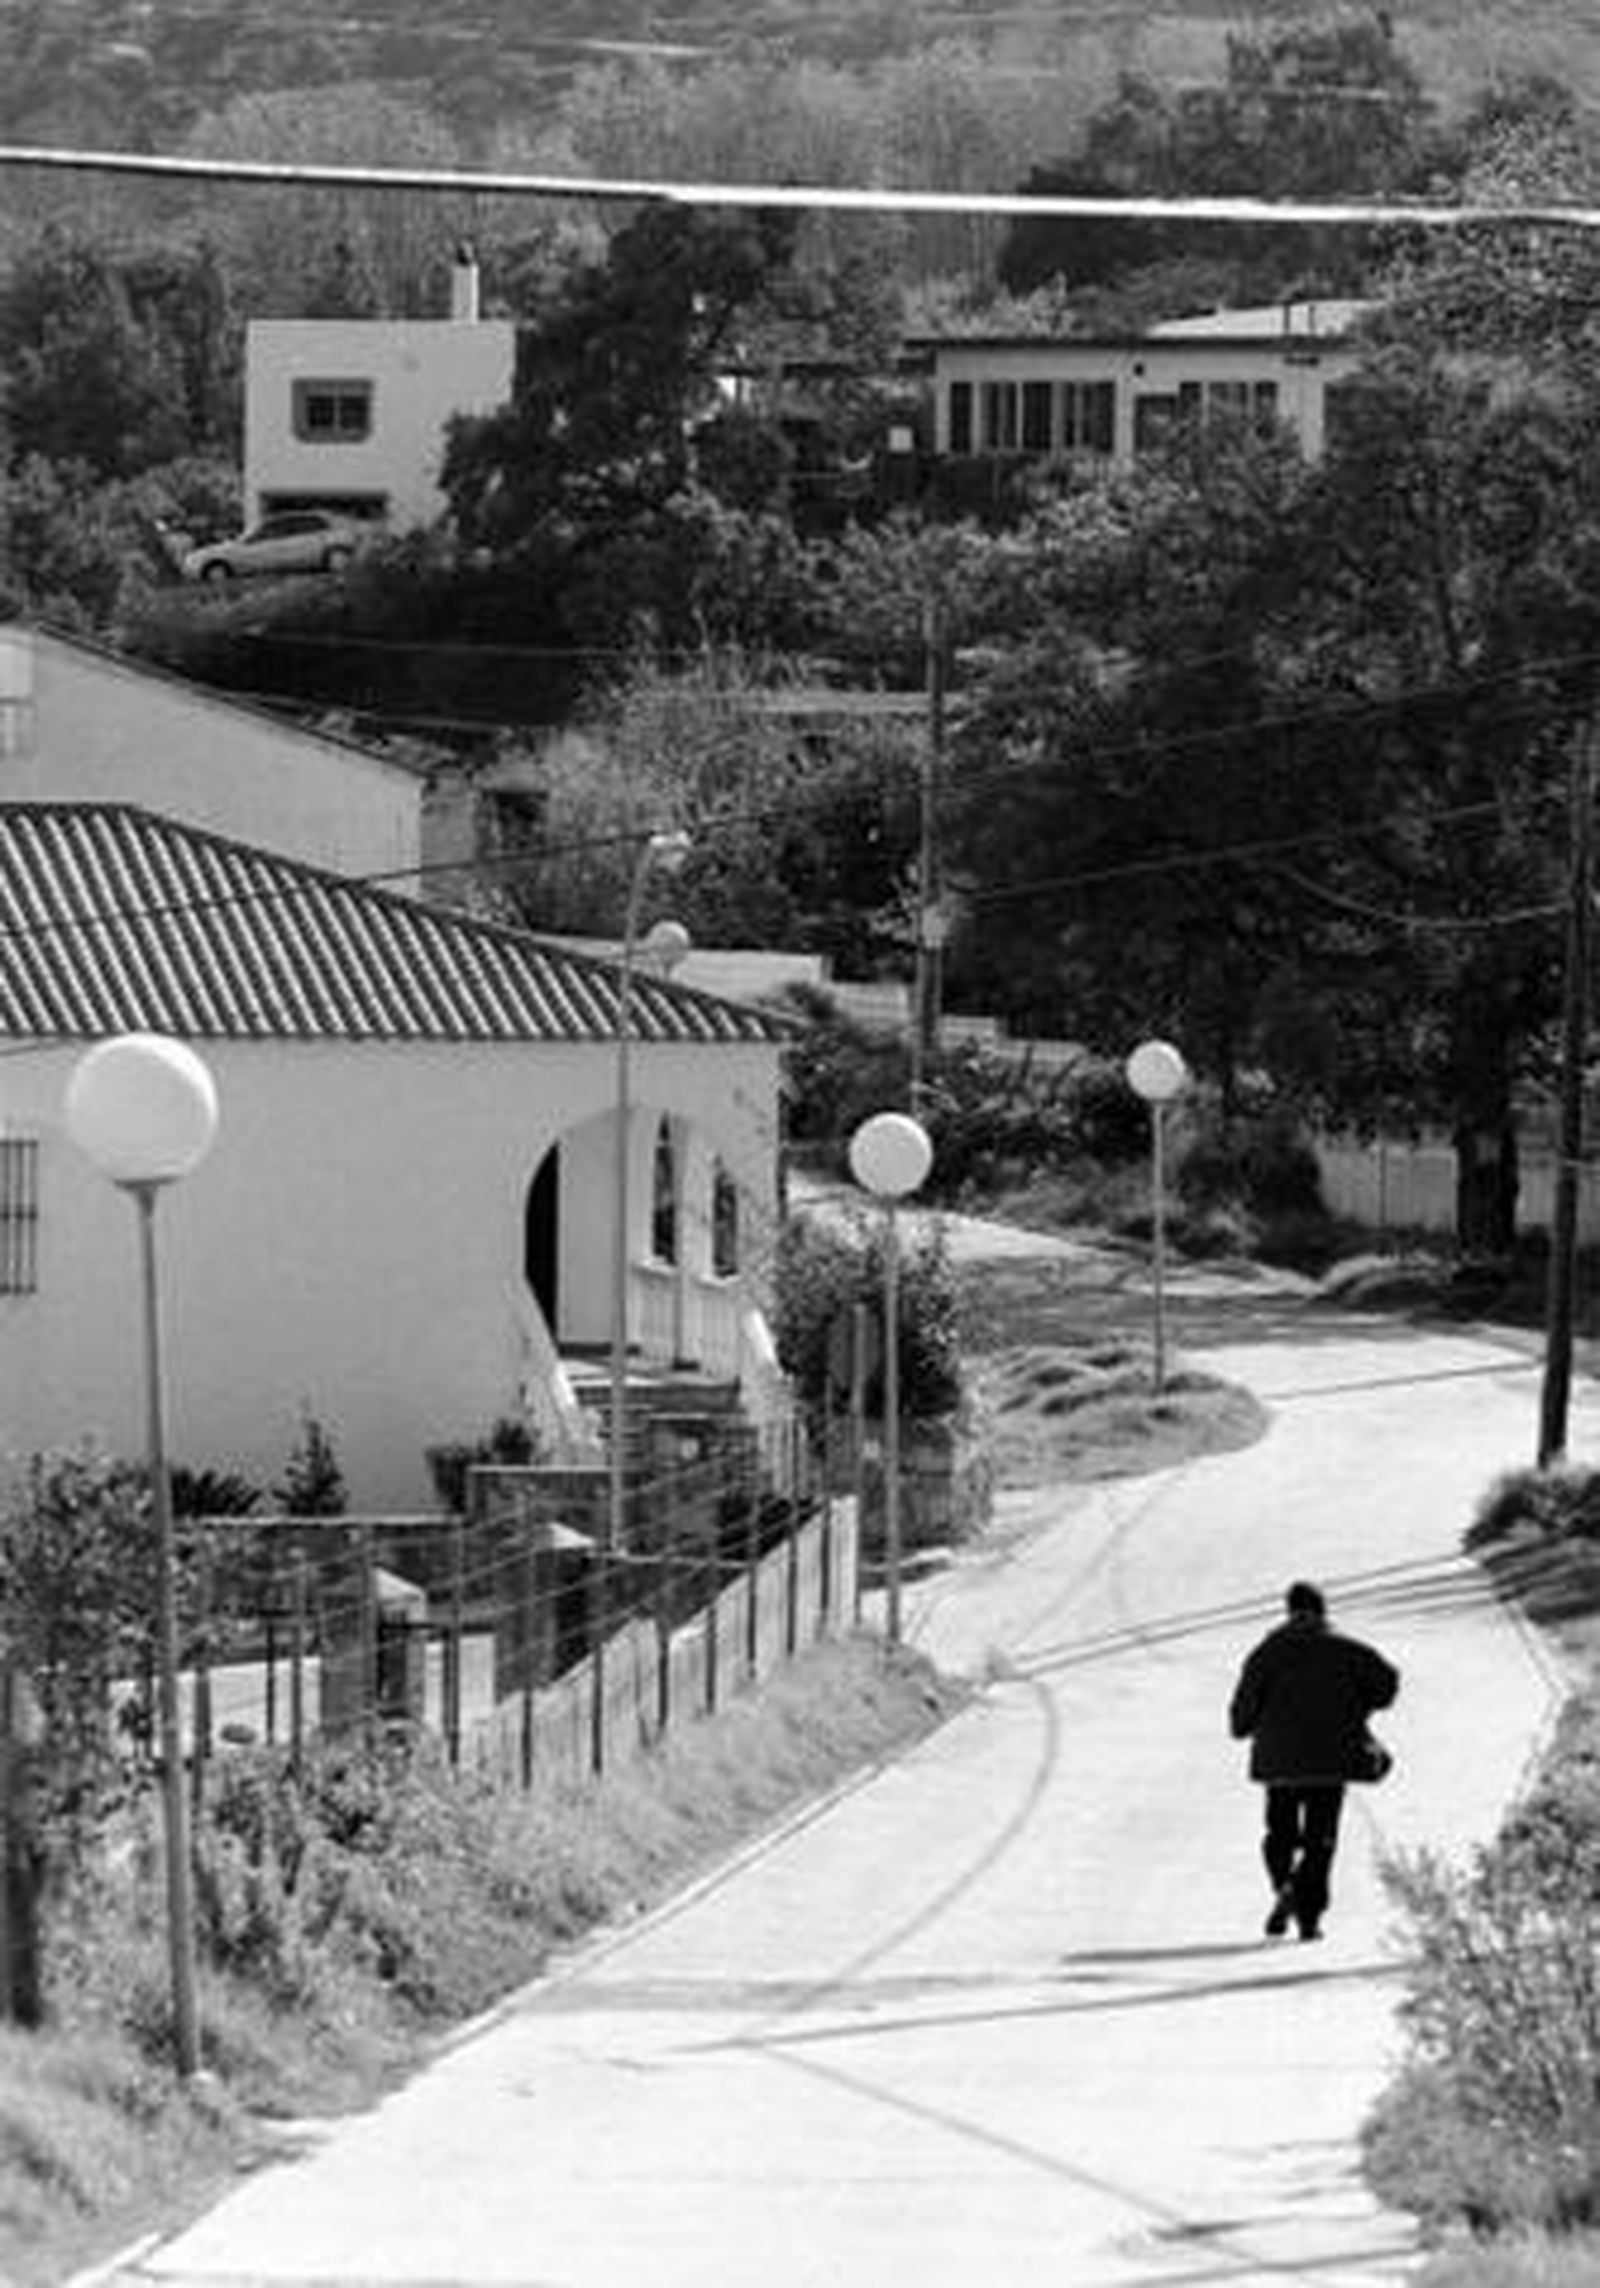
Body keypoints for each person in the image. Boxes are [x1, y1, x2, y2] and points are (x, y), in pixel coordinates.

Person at [1228, 1580, 1399, 1942]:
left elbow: (1242, 1713)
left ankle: (1285, 1886)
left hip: (1279, 1763)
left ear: (1288, 1611)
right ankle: (1309, 1917)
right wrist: (1358, 1704)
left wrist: (1244, 1727)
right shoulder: (1349, 1650)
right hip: (1331, 1760)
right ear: (1323, 1611)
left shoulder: (1266, 1653)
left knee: (1280, 1834)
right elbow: (1386, 1685)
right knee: (1320, 1839)